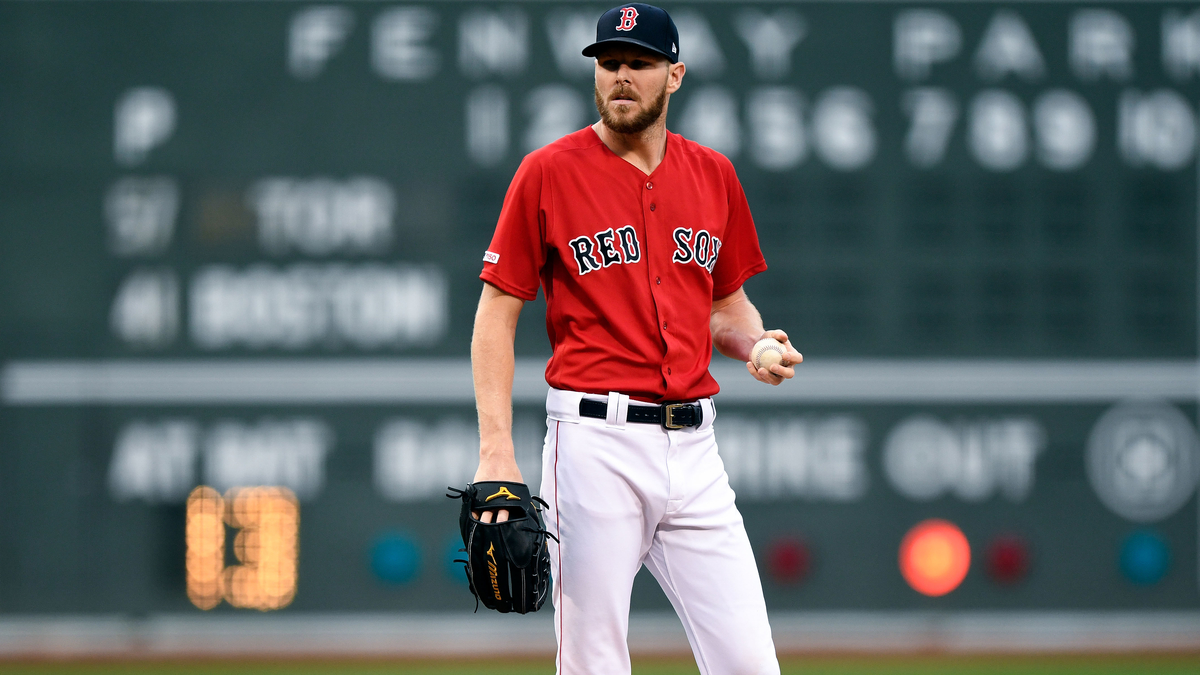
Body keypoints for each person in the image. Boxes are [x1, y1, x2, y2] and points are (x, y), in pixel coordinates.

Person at [470, 4, 802, 673]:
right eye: (610, 62)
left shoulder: (713, 174)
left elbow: (725, 307)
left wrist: (756, 344)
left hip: (696, 449)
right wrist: (496, 451)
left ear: (674, 75)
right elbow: (496, 313)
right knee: (593, 662)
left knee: (750, 664)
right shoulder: (548, 172)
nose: (621, 76)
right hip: (595, 445)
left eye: (640, 63)